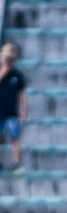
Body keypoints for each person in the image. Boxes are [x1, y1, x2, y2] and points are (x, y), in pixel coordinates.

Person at [0, 43, 27, 175]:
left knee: (14, 137)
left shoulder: (17, 76)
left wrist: (23, 111)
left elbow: (22, 95)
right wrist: (3, 71)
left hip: (12, 112)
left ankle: (15, 162)